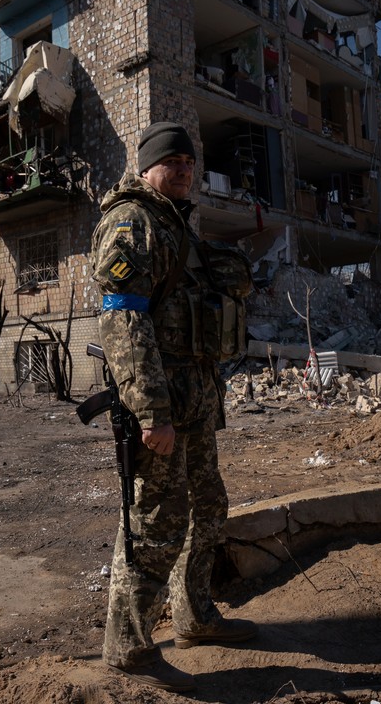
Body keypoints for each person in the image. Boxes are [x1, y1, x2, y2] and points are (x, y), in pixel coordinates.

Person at [90, 122, 256, 693]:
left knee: (208, 510)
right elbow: (123, 321)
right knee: (154, 525)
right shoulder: (130, 222)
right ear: (146, 166)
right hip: (163, 411)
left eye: (190, 160)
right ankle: (128, 648)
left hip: (197, 405)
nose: (185, 169)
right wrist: (149, 411)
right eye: (173, 160)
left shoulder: (173, 222)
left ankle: (194, 617)